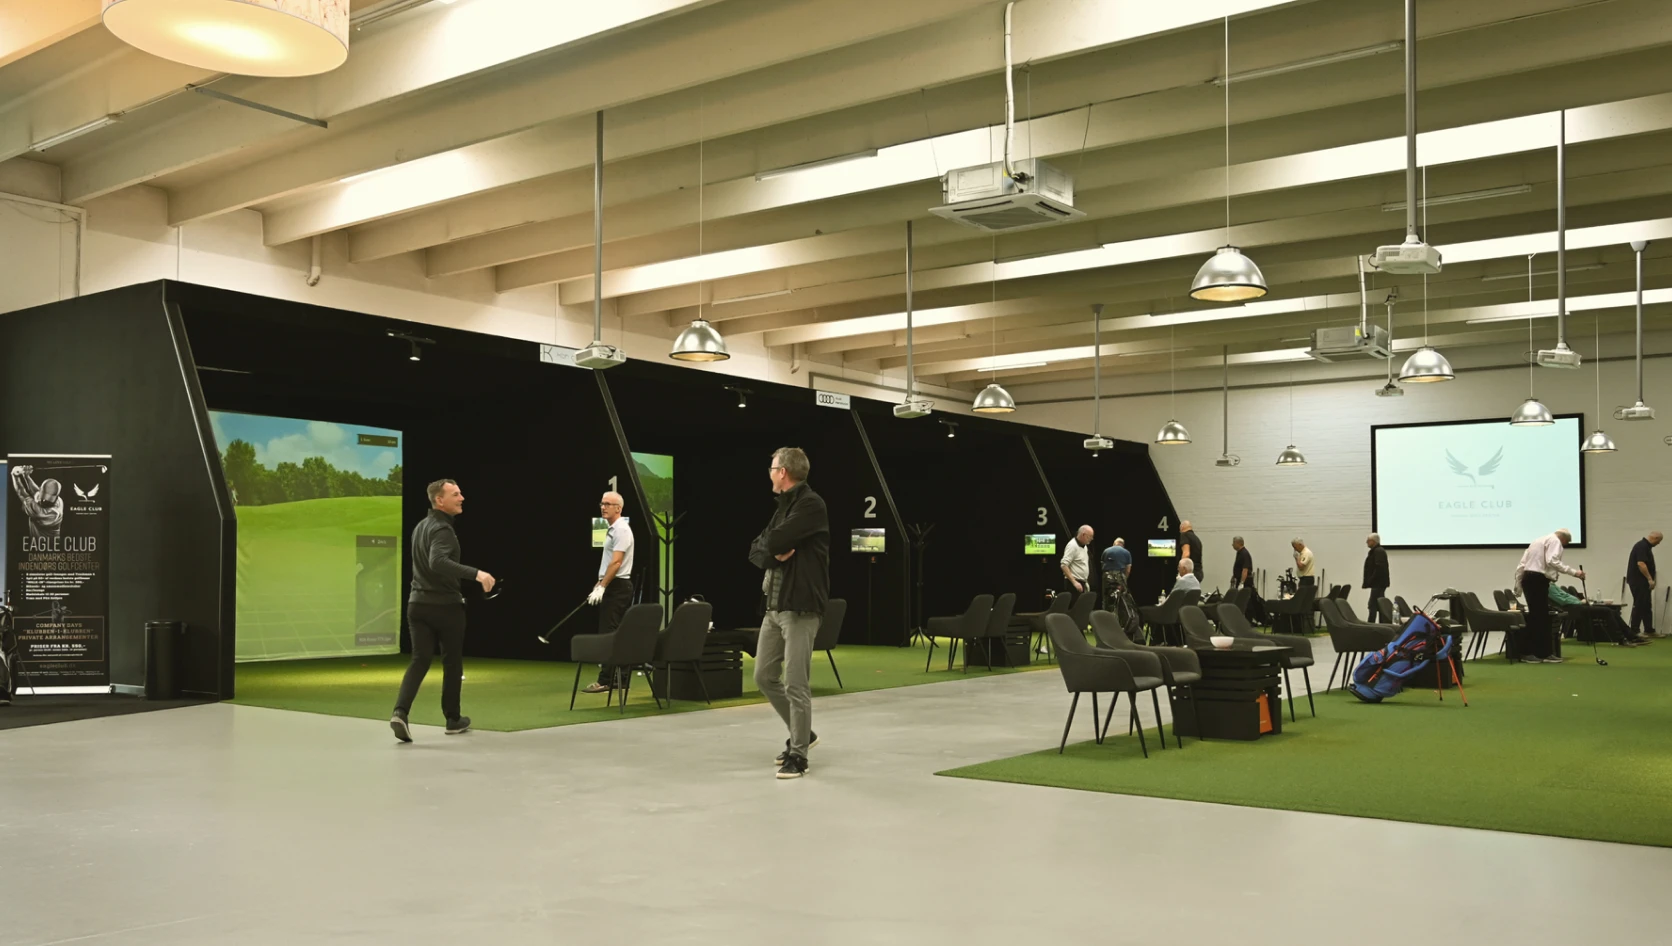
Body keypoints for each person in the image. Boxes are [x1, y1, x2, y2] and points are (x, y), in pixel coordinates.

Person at [391, 479, 494, 742]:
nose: (462, 498)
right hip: (445, 607)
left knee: (419, 660)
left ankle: (400, 712)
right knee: (452, 661)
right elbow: (437, 562)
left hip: (417, 605)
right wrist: (478, 574)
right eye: (455, 494)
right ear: (440, 500)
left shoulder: (420, 527)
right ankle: (452, 719)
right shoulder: (442, 529)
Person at [751, 447, 829, 780]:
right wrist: (773, 553)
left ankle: (799, 755)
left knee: (796, 682)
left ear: (783, 472)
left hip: (800, 607)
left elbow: (775, 539)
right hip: (774, 606)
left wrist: (772, 546)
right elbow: (757, 549)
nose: (769, 473)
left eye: (772, 468)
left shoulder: (811, 504)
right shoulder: (784, 507)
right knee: (763, 676)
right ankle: (804, 734)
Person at [581, 491, 635, 694]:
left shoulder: (621, 529)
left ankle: (606, 681)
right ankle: (619, 679)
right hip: (613, 584)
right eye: (602, 504)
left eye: (608, 504)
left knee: (609, 634)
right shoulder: (613, 529)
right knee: (616, 634)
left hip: (618, 587)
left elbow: (617, 562)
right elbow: (608, 563)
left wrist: (603, 586)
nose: (603, 507)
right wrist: (599, 583)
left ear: (618, 508)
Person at [1514, 528, 1585, 664]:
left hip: (1529, 579)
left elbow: (1522, 564)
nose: (1563, 547)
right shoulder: (1555, 541)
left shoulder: (1536, 541)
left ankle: (1542, 653)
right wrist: (1575, 573)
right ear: (1564, 539)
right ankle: (1533, 653)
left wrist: (1518, 583)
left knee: (1539, 616)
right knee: (1539, 617)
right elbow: (1553, 561)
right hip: (1538, 580)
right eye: (1565, 544)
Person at [8, 465, 63, 539]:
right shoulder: (58, 501)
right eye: (43, 498)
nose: (42, 501)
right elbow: (36, 492)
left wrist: (14, 475)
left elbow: (21, 493)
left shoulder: (39, 512)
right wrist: (26, 476)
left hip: (39, 545)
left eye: (45, 500)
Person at [1628, 532, 1662, 638]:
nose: (1658, 543)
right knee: (1639, 605)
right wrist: (1650, 579)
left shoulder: (1646, 547)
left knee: (1646, 605)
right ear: (1655, 538)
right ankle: (1634, 631)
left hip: (1642, 582)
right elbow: (1641, 564)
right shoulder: (1642, 546)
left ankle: (1649, 630)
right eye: (1659, 541)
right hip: (1638, 581)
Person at [1363, 533, 1390, 623]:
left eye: (1368, 540)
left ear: (1373, 541)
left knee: (1373, 605)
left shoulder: (1378, 551)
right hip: (1378, 583)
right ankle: (1381, 623)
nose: (1366, 542)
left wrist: (1371, 579)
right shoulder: (1377, 551)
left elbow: (1379, 568)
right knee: (1378, 604)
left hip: (1378, 583)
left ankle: (1371, 624)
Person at [1061, 524, 1093, 594]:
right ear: (1083, 535)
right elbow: (1064, 565)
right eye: (1090, 536)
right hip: (1074, 583)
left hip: (1082, 582)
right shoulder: (1072, 546)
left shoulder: (1084, 546)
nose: (1091, 539)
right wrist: (1074, 582)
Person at [1101, 537, 1132, 605]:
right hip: (1119, 576)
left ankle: (1105, 610)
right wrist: (1125, 578)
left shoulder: (1106, 551)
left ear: (1114, 544)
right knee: (1121, 596)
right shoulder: (1127, 552)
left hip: (1107, 575)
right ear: (1122, 545)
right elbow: (1128, 570)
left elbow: (1102, 565)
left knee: (1106, 596)